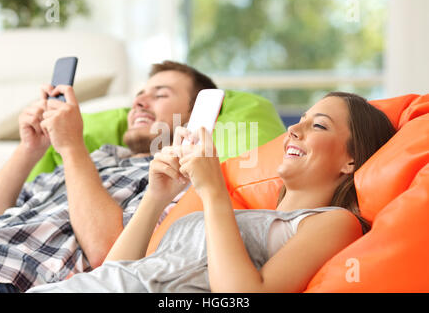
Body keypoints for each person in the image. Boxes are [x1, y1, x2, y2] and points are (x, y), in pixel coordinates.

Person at [26, 91, 396, 293]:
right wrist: (156, 198)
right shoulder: (237, 213)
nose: (294, 130)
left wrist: (213, 191)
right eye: (299, 119)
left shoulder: (335, 222)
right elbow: (118, 270)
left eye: (318, 125)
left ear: (351, 160)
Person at [0, 60, 217, 293]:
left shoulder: (176, 181)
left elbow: (111, 262)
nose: (139, 102)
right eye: (139, 94)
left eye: (160, 95)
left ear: (193, 116)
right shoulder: (98, 157)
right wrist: (29, 149)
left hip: (5, 276)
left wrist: (72, 146)